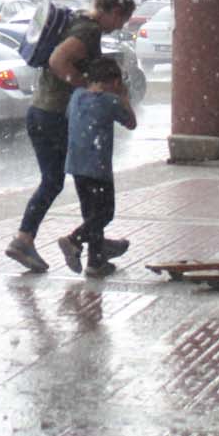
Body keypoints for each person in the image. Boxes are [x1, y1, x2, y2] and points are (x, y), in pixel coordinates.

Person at [4, 0, 136, 274]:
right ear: (114, 12)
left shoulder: (80, 21)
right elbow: (57, 60)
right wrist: (85, 86)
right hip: (54, 114)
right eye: (122, 20)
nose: (120, 27)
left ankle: (92, 243)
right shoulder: (88, 30)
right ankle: (81, 243)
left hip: (41, 110)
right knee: (85, 182)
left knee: (63, 181)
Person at [63, 55, 137, 277]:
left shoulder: (77, 96)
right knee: (105, 213)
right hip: (98, 167)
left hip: (76, 165)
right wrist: (123, 97)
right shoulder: (109, 101)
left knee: (91, 216)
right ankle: (73, 240)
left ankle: (95, 262)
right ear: (115, 82)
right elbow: (131, 123)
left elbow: (69, 117)